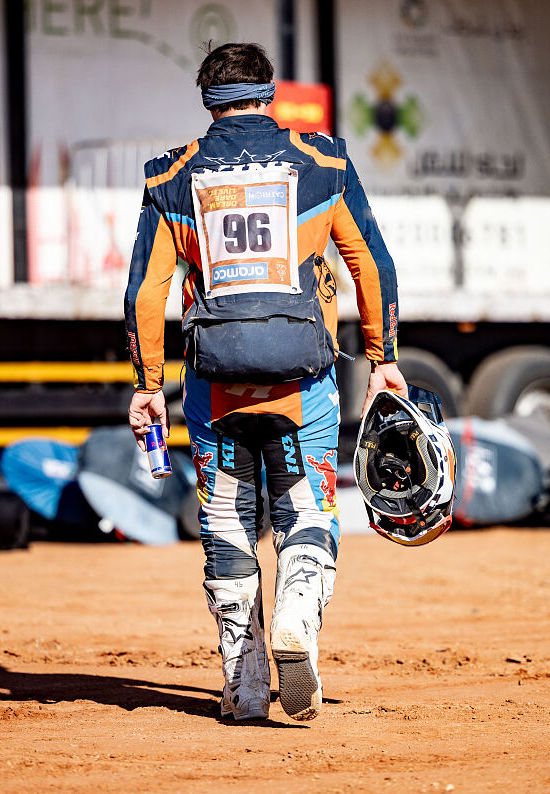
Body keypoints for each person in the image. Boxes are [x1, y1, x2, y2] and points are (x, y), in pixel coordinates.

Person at [123, 42, 407, 722]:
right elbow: (372, 263)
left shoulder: (171, 176)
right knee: (306, 511)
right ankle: (298, 616)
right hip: (302, 379)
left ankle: (244, 682)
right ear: (268, 94)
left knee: (226, 523)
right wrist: (383, 356)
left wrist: (145, 384)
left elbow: (144, 292)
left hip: (214, 388)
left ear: (207, 100)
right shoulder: (324, 162)